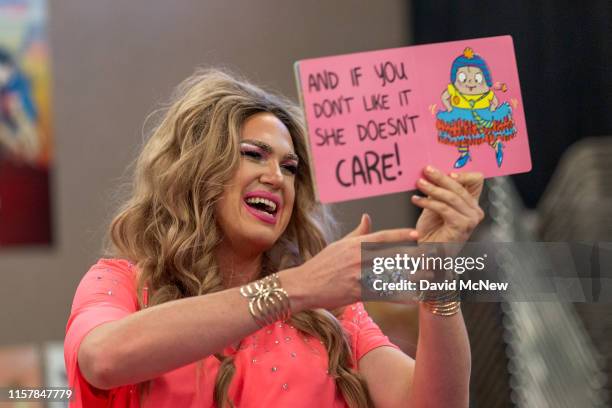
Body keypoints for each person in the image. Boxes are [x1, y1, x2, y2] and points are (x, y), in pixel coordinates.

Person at [64, 69, 485, 407]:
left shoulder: (332, 313)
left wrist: (438, 274)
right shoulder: (123, 283)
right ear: (196, 170)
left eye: (290, 167)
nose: (276, 178)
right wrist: (294, 288)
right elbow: (102, 359)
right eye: (253, 154)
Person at [436, 47, 517, 169]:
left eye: (477, 78)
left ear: (485, 79)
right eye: (463, 78)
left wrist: (492, 110)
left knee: (488, 133)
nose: (470, 82)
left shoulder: (486, 94)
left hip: (483, 116)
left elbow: (494, 100)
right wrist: (449, 108)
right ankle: (464, 154)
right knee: (462, 136)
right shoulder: (454, 90)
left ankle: (497, 146)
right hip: (461, 117)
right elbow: (444, 97)